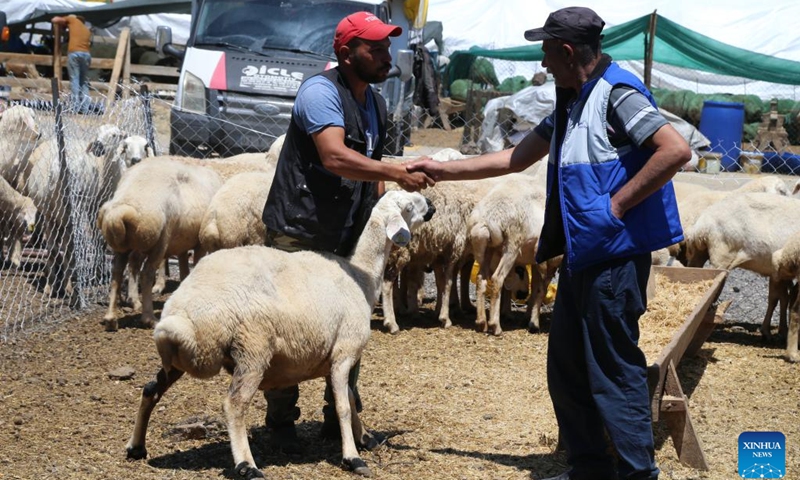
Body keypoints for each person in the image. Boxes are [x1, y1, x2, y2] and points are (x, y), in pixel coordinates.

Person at [406, 7, 690, 480]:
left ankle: (638, 473)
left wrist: (615, 207)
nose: (542, 60)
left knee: (613, 371)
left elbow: (675, 149)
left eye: (546, 50)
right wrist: (440, 169)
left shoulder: (616, 94)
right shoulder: (570, 100)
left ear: (566, 51)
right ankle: (589, 468)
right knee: (568, 369)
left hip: (614, 259)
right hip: (583, 253)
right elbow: (515, 158)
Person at [261, 11, 434, 454]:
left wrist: (379, 226)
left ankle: (340, 419)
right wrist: (395, 171)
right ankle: (280, 422)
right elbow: (335, 157)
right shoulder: (320, 93)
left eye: (386, 46)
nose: (385, 54)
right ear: (345, 52)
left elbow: (370, 175)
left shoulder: (374, 103)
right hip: (300, 230)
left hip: (346, 233)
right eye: (373, 47)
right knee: (285, 322)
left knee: (349, 325)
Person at [51, 15, 92, 113]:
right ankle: (85, 108)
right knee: (84, 82)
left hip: (75, 53)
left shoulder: (73, 19)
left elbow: (55, 19)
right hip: (86, 54)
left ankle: (75, 107)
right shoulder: (86, 29)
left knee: (75, 80)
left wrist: (65, 20)